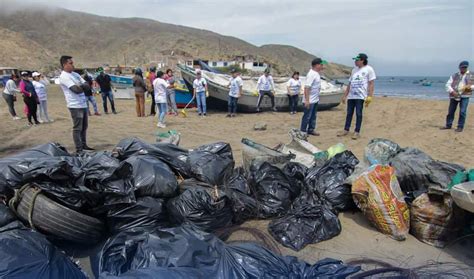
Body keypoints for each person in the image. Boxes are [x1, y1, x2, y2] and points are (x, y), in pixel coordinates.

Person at [58, 55, 94, 153]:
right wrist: (83, 86)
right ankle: (79, 149)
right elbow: (76, 90)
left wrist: (82, 86)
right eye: (71, 63)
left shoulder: (75, 74)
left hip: (83, 104)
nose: (73, 65)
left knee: (84, 126)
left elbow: (88, 84)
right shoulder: (64, 76)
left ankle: (84, 145)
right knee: (77, 128)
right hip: (75, 105)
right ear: (65, 64)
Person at [337, 53, 376, 140]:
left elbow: (371, 83)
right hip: (351, 96)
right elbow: (350, 83)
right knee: (349, 113)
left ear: (362, 60)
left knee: (358, 114)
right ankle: (346, 130)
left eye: (357, 60)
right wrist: (345, 96)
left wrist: (370, 96)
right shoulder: (354, 70)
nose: (355, 61)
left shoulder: (369, 69)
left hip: (360, 96)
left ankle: (356, 132)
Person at [441, 61, 473, 132]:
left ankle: (460, 127)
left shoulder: (471, 75)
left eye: (465, 67)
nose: (464, 68)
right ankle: (448, 125)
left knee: (462, 112)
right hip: (454, 95)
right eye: (462, 67)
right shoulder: (454, 75)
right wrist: (452, 91)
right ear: (459, 67)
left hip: (465, 95)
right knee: (451, 111)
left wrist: (470, 87)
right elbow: (447, 85)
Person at [300, 58, 327, 136]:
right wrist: (307, 100)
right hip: (310, 100)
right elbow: (307, 88)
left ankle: (311, 129)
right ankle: (303, 132)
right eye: (321, 64)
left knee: (313, 116)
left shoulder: (316, 73)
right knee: (307, 116)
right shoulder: (311, 74)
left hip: (315, 100)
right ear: (317, 65)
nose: (322, 66)